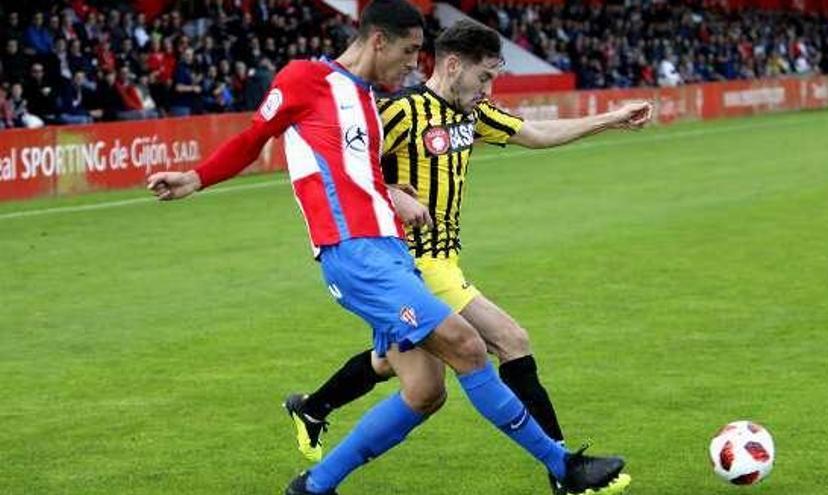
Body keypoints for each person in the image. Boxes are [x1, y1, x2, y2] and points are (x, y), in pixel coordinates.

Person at [147, 2, 624, 494]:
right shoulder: (305, 80)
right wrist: (194, 177)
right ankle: (564, 468)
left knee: (424, 391)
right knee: (470, 345)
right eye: (410, 51)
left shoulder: (369, 102)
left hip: (394, 250)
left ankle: (313, 484)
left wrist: (394, 197)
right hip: (354, 251)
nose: (415, 64)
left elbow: (364, 174)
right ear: (379, 41)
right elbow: (254, 137)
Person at [284, 19, 652, 495]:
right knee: (509, 339)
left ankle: (314, 430)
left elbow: (536, 132)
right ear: (453, 65)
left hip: (439, 263)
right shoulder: (400, 111)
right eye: (484, 77)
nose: (489, 89)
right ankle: (563, 467)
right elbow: (347, 166)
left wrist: (609, 117)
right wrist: (393, 195)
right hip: (410, 263)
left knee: (418, 386)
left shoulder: (471, 114)